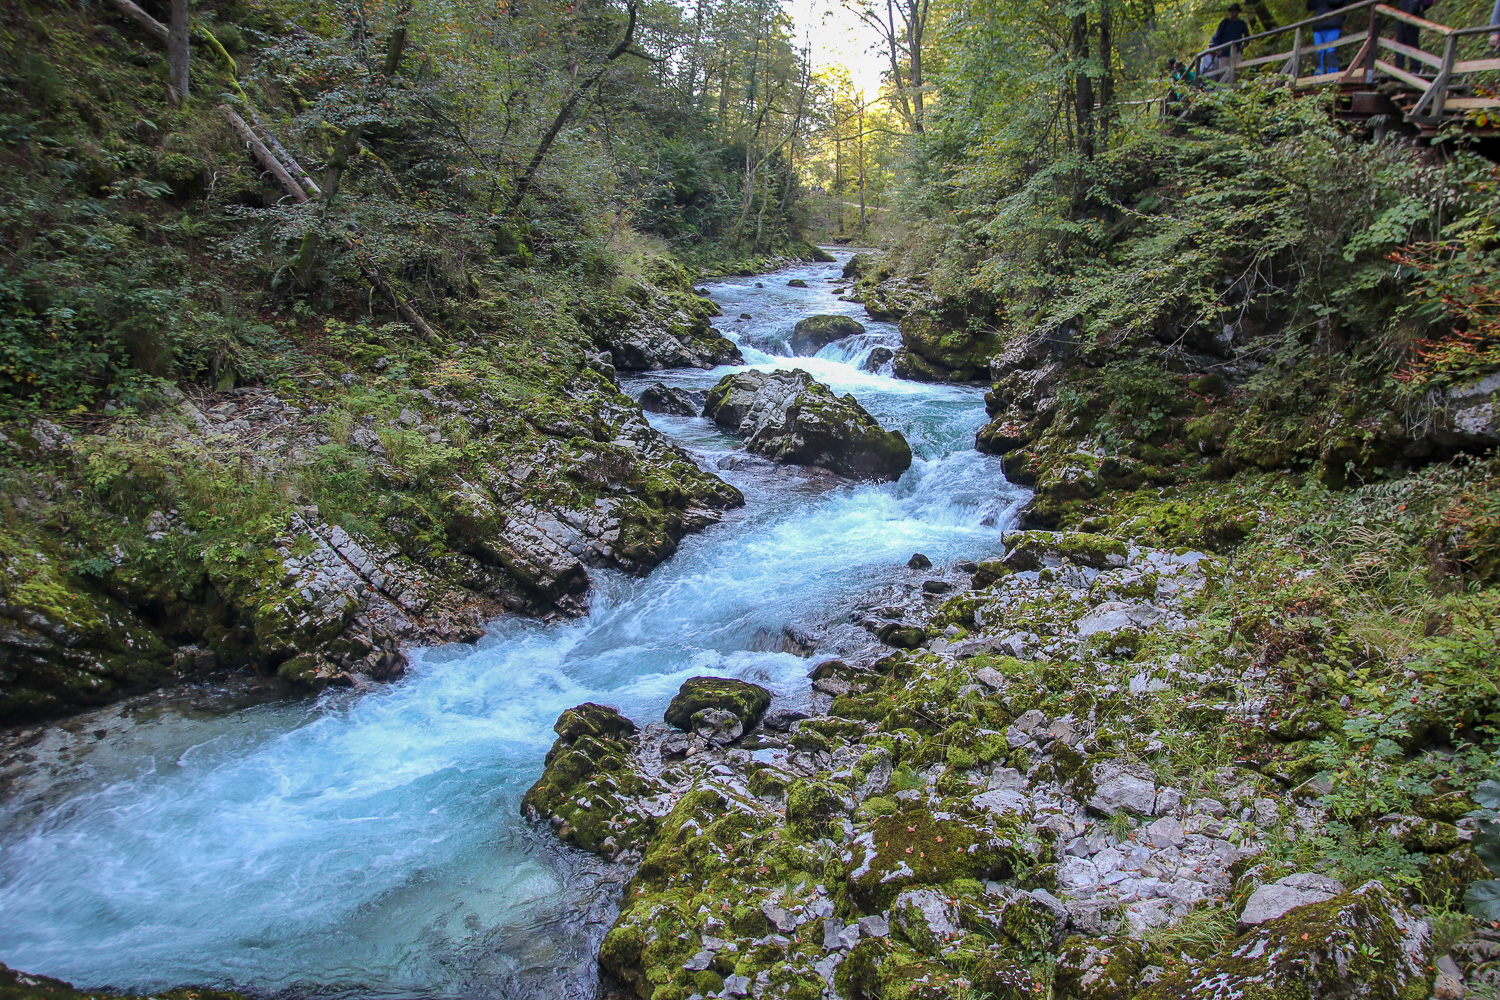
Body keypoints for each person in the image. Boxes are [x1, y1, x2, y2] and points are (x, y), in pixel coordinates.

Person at [1207, 4, 1252, 76]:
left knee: (1237, 71)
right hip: (1224, 52)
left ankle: (1236, 87)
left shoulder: (1242, 23)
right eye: (1231, 10)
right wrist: (1218, 48)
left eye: (1235, 10)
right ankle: (1224, 87)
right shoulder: (1224, 22)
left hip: (1236, 51)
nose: (1233, 12)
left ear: (1238, 12)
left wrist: (1244, 45)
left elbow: (1247, 36)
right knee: (1223, 73)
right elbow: (1216, 37)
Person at [1394, 0, 1435, 73]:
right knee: (1400, 42)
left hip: (1414, 15)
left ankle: (1415, 69)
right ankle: (1398, 68)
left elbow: (1427, 2)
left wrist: (1412, 12)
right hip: (1402, 13)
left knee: (1412, 42)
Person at [1306, 0, 1345, 76]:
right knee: (1318, 53)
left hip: (1333, 25)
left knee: (1331, 51)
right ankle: (1318, 77)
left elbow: (1336, 2)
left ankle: (1332, 77)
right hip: (1318, 26)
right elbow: (1310, 6)